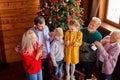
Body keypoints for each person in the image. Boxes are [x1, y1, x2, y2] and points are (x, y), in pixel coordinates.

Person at [30, 16, 52, 80]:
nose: (42, 28)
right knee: (38, 70)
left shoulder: (46, 28)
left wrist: (51, 37)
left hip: (46, 52)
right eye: (40, 26)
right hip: (37, 54)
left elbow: (48, 39)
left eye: (43, 25)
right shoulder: (31, 31)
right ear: (35, 25)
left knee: (47, 69)